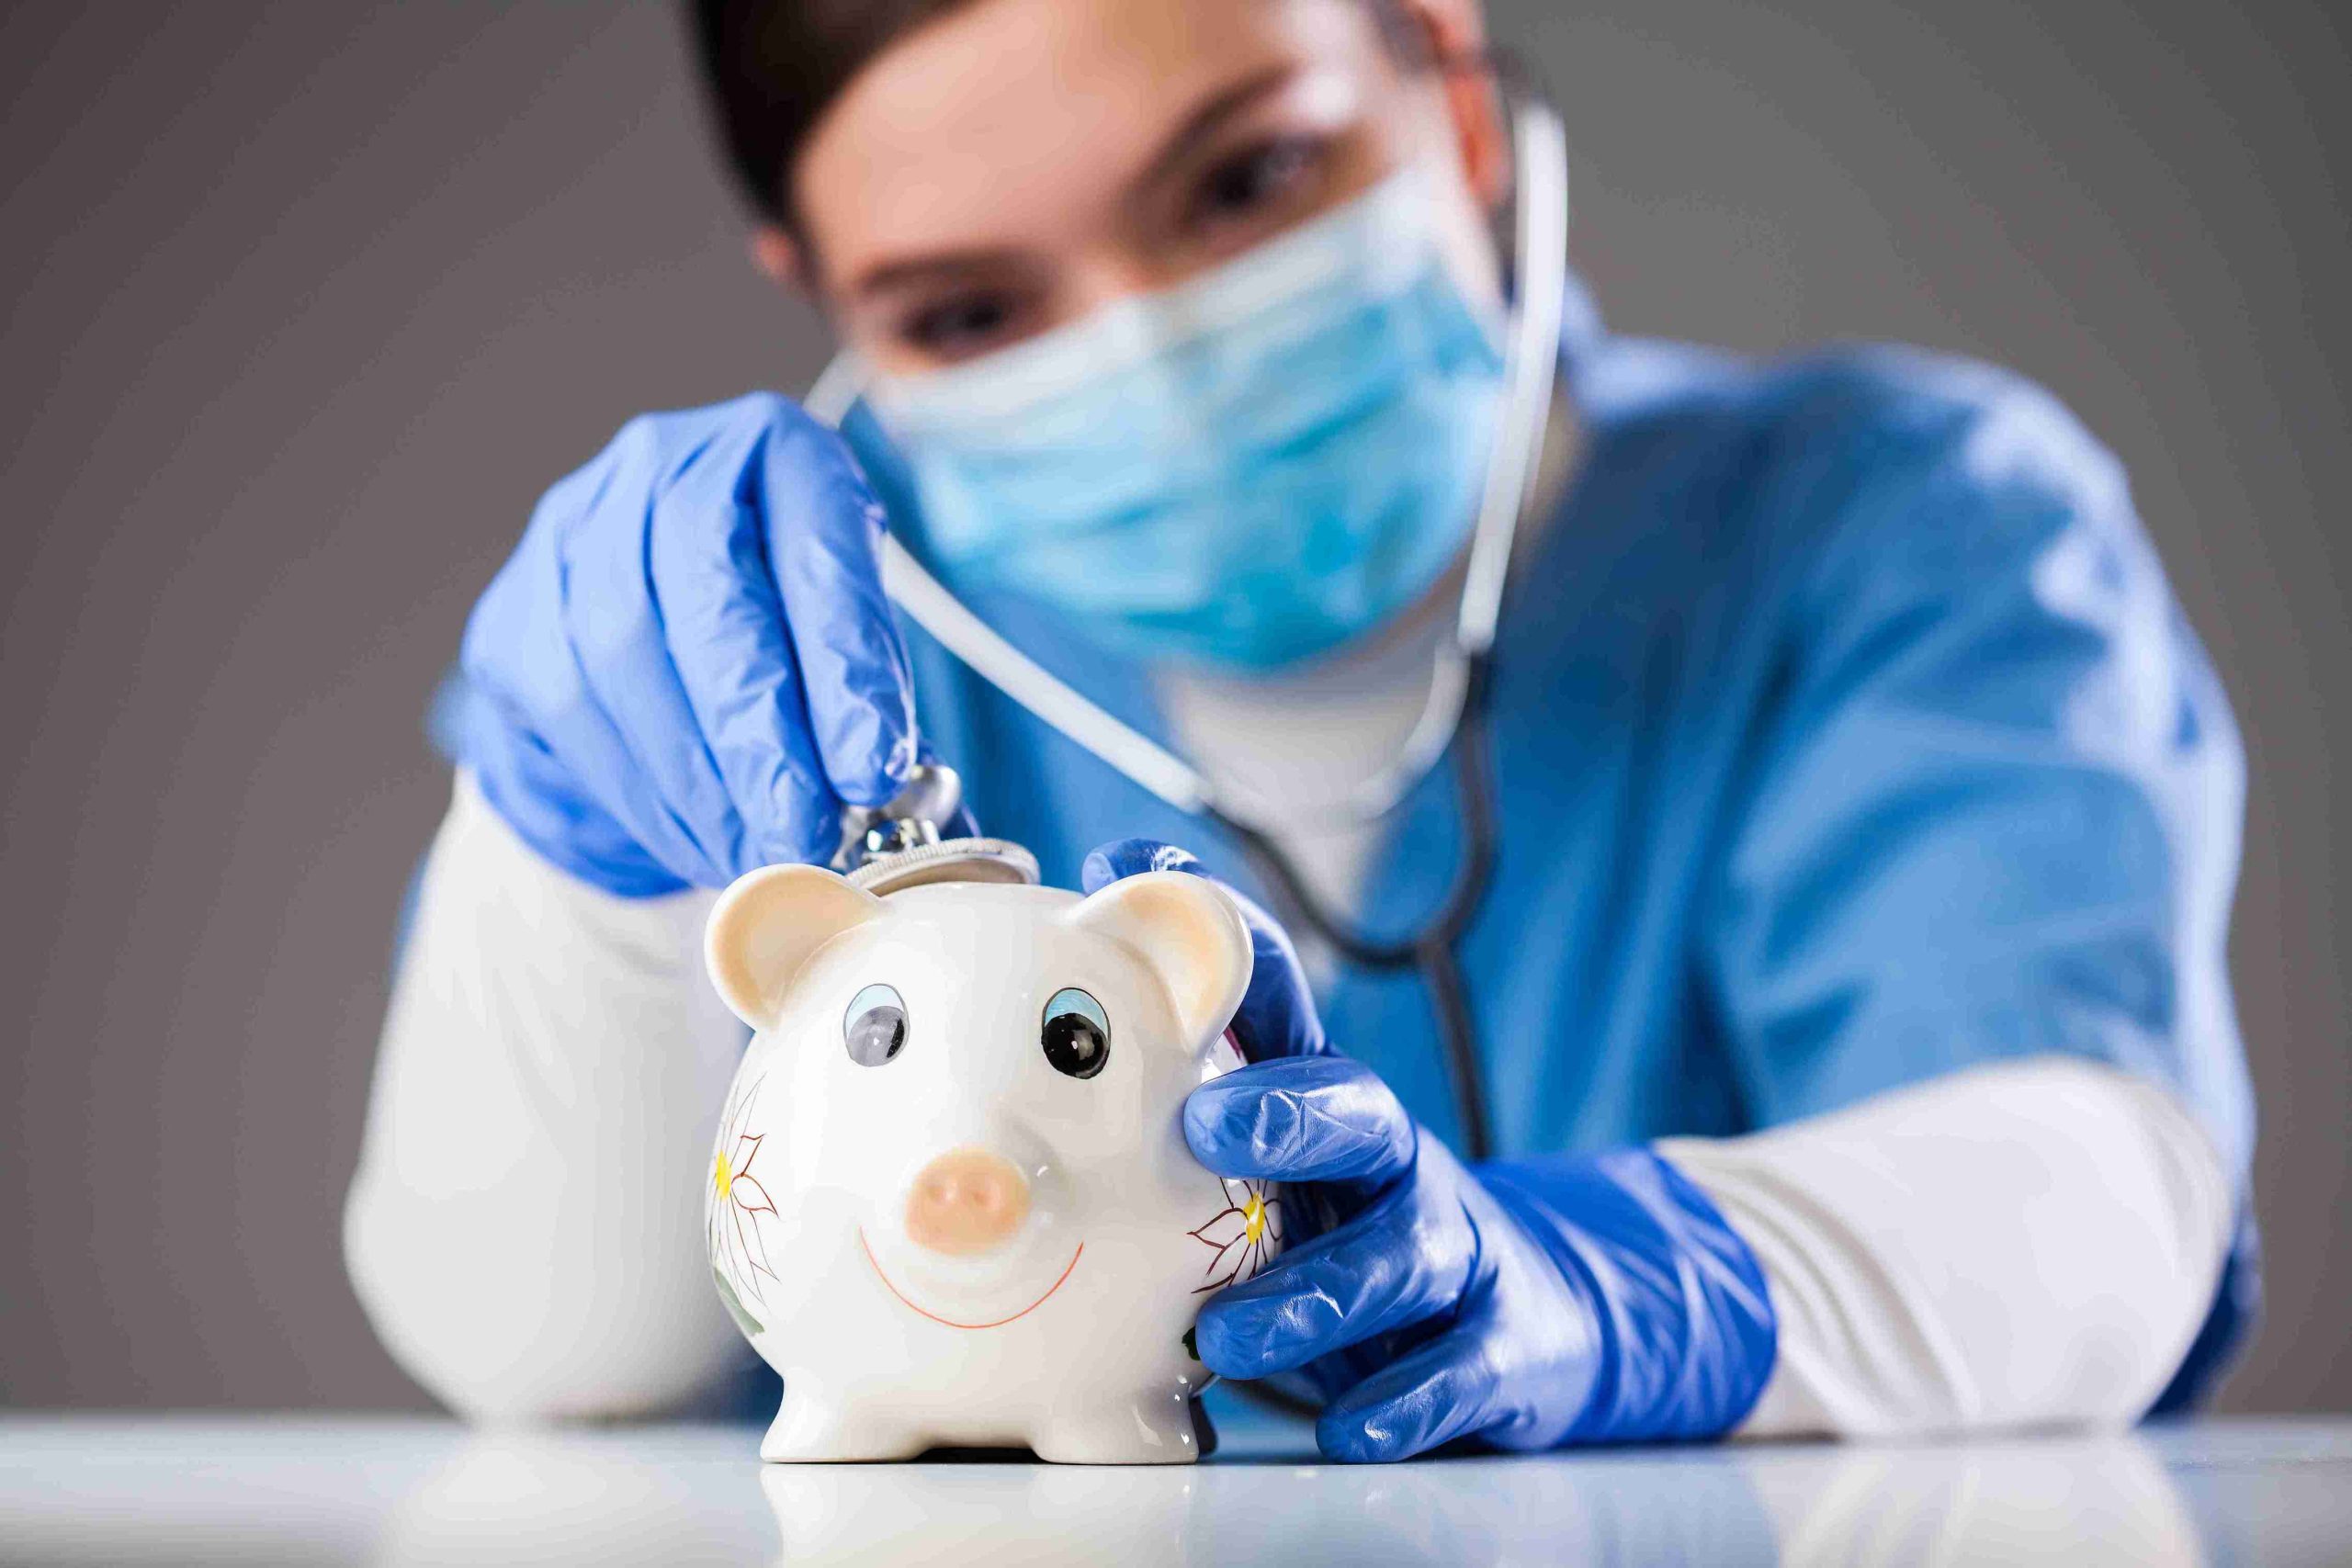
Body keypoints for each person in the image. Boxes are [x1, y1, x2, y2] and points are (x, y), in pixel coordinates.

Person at [345, 0, 2256, 1461]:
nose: (1157, 362)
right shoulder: (754, 649)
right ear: (822, 299)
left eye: (1245, 181)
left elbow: (2102, 1202)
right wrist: (568, 865)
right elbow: (534, 1352)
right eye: (969, 309)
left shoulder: (1888, 526)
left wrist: (1599, 1283)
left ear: (1441, 66)